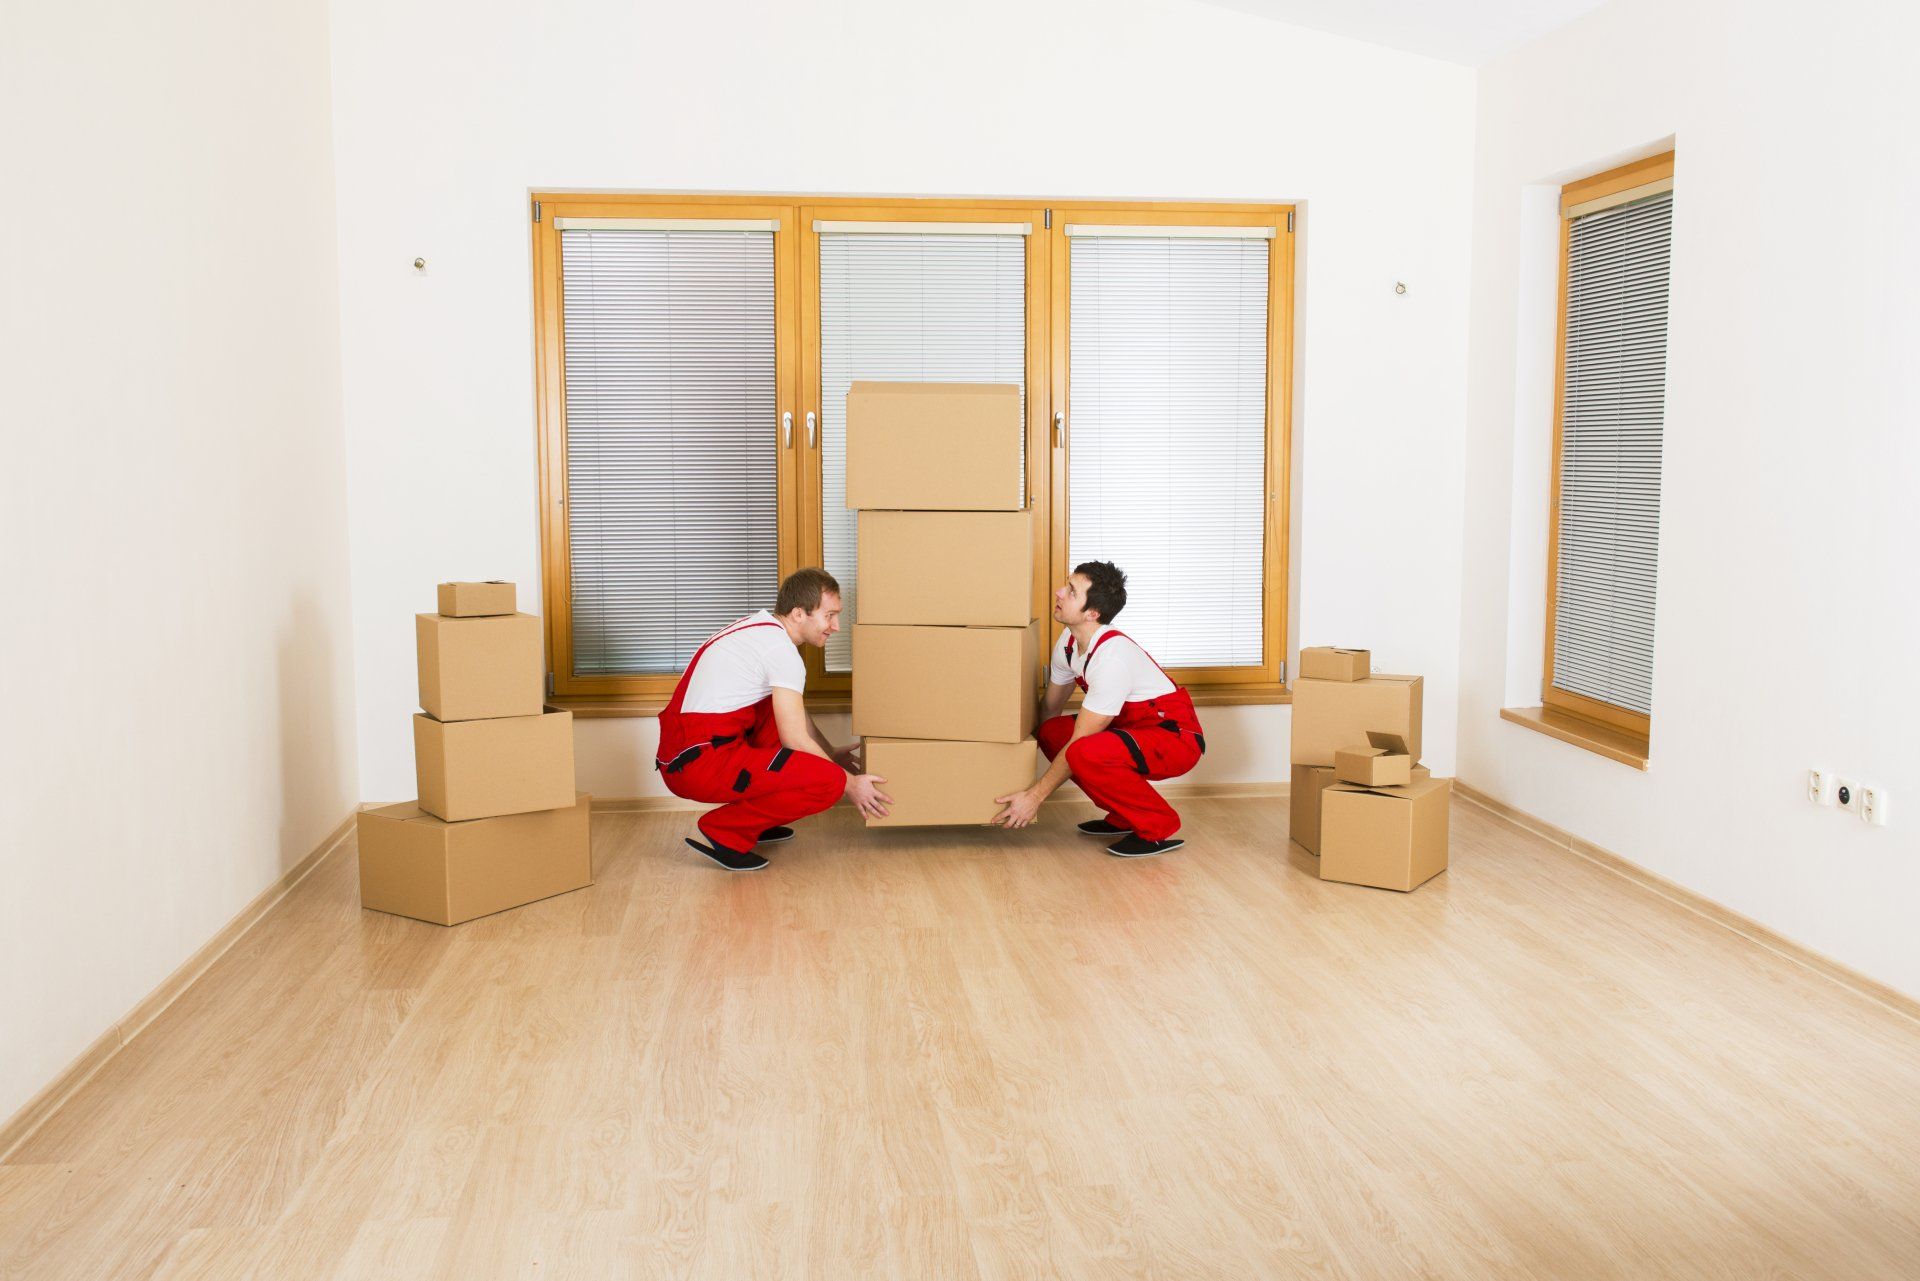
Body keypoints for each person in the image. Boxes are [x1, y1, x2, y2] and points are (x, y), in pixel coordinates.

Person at [656, 568, 891, 871]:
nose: (836, 627)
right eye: (829, 615)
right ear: (798, 613)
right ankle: (726, 830)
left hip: (690, 751)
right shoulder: (780, 652)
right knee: (829, 783)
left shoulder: (763, 628)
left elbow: (796, 718)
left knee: (780, 717)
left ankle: (756, 821)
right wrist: (849, 783)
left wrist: (830, 753)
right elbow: (795, 738)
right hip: (697, 763)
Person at [993, 561, 1205, 857]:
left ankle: (1157, 826)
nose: (1058, 592)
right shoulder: (1069, 642)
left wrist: (1034, 797)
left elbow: (1081, 742)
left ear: (1092, 614)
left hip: (1174, 739)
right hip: (1127, 730)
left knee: (1084, 751)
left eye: (1070, 591)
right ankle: (1124, 815)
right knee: (1052, 732)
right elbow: (1050, 710)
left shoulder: (1112, 657)